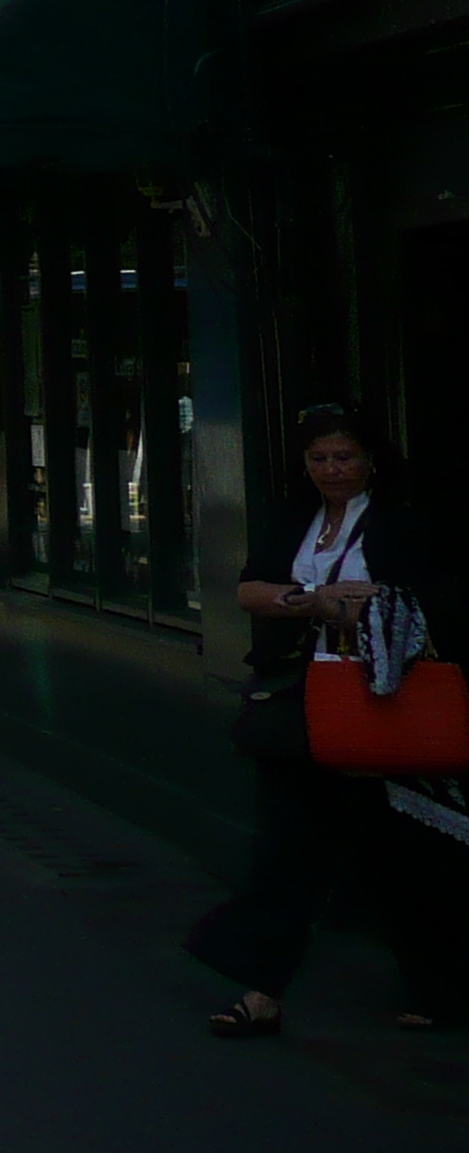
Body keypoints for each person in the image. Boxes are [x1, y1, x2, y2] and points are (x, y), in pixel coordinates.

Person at [188, 405, 461, 1036]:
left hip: (382, 701)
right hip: (301, 699)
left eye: (344, 457)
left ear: (371, 461)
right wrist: (310, 601)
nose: (332, 470)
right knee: (285, 848)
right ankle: (260, 993)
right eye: (319, 459)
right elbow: (250, 588)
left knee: (406, 852)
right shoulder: (294, 519)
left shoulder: (401, 524)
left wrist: (375, 609)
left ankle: (437, 990)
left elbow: (439, 601)